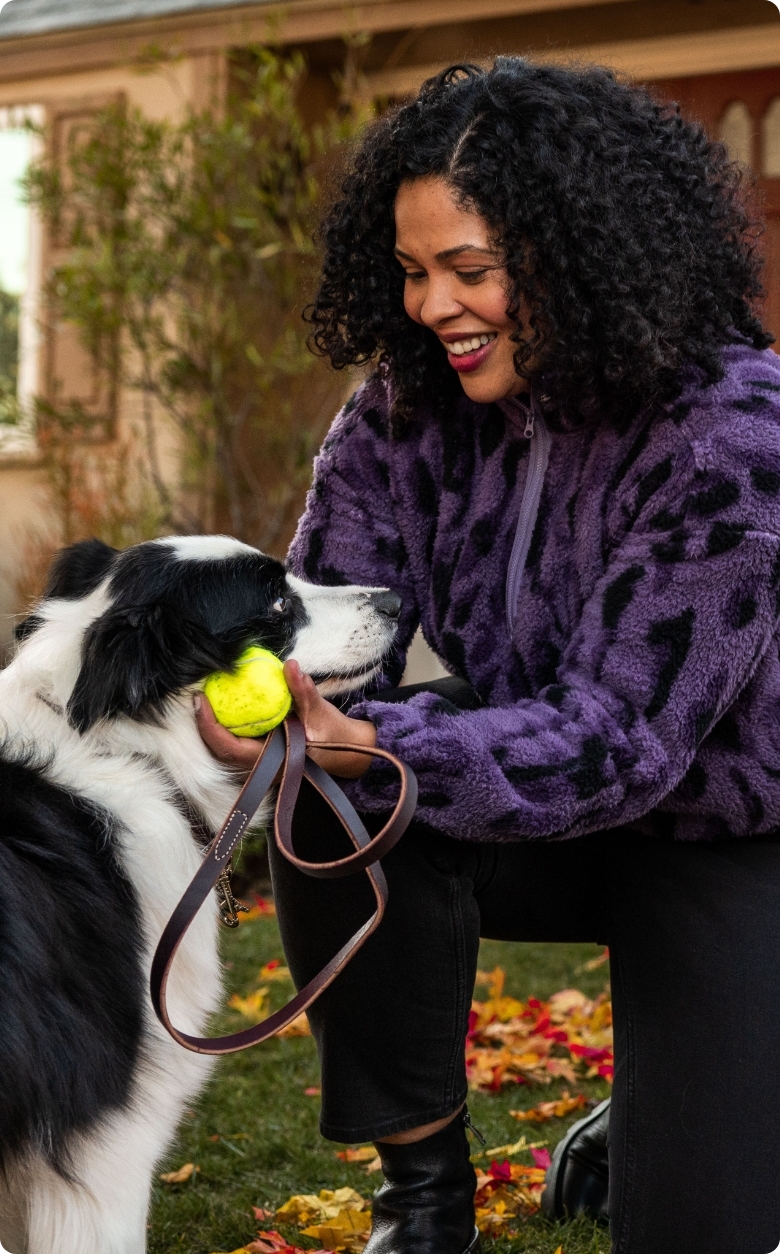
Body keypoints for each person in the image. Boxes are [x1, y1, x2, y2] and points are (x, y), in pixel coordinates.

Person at [197, 58, 780, 1254]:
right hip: (521, 805)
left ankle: (668, 1106)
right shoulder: (400, 411)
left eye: (470, 271)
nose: (430, 309)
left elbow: (621, 741)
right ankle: (424, 1196)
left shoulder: (735, 432)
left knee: (701, 1231)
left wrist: (378, 742)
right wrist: (257, 712)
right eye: (411, 273)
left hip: (731, 833)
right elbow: (329, 627)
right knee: (332, 795)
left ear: (586, 258)